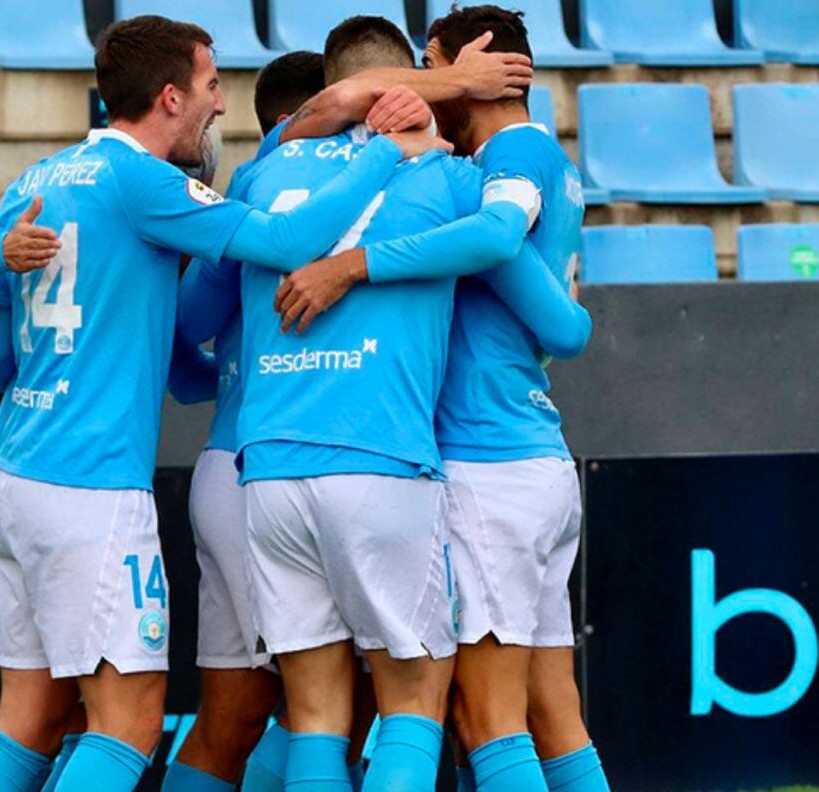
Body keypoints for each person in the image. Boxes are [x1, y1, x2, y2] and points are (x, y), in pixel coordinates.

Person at [0, 15, 445, 792]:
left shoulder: (39, 179)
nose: (220, 107)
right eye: (209, 87)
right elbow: (286, 239)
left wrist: (8, 278)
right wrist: (381, 152)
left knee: (29, 717)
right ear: (169, 96)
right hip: (90, 489)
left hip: (11, 476)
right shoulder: (145, 182)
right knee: (128, 726)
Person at [275, 6, 608, 791]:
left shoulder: (512, 153)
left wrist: (352, 265)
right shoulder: (517, 160)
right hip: (526, 455)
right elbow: (564, 325)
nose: (428, 84)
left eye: (436, 64)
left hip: (485, 465)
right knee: (549, 710)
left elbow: (496, 239)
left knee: (484, 719)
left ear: (485, 64)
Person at [230, 16, 503, 792]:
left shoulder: (264, 170)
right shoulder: (448, 179)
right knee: (414, 699)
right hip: (380, 461)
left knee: (315, 713)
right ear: (410, 84)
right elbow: (509, 245)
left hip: (272, 468)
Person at [162, 50, 327, 792]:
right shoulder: (328, 181)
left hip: (225, 471)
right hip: (290, 472)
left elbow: (190, 318)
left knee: (234, 713)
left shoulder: (246, 186)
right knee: (326, 706)